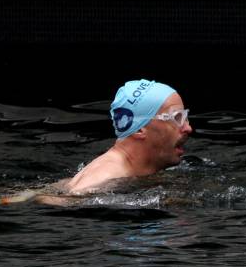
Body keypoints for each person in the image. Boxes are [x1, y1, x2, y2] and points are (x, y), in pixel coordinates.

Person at [61, 78, 193, 194]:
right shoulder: (103, 180)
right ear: (139, 130)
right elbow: (67, 200)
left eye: (185, 117)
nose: (188, 128)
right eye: (176, 118)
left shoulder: (128, 171)